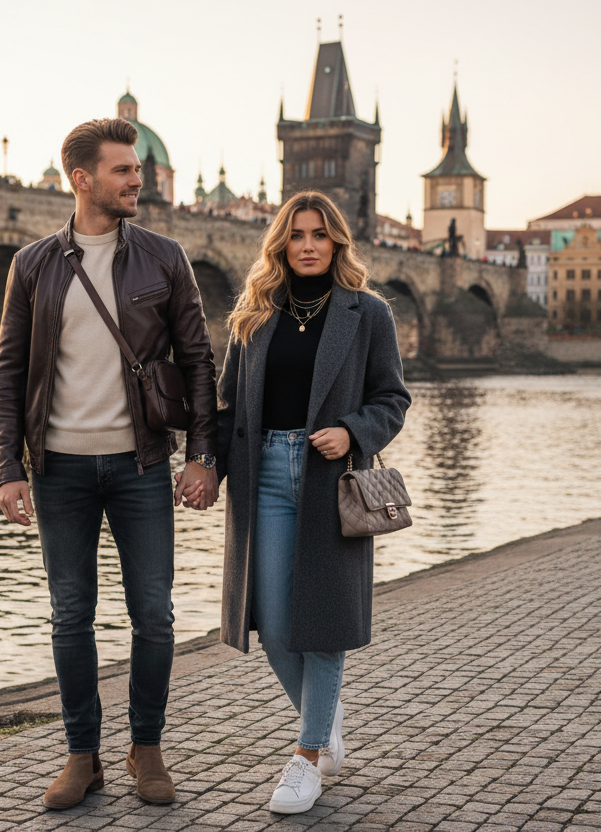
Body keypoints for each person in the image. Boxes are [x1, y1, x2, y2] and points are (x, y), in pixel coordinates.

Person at [0, 117, 218, 810]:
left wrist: (203, 455)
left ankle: (145, 748)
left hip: (141, 464)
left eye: (138, 170)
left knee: (154, 615)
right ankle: (81, 755)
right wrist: (8, 465)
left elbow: (199, 362)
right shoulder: (32, 264)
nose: (137, 181)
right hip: (59, 468)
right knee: (70, 615)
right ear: (82, 179)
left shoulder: (165, 257)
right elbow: (9, 370)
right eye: (123, 171)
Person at [216, 190, 410, 813]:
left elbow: (393, 400)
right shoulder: (254, 312)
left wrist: (354, 430)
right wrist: (205, 469)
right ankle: (324, 717)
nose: (307, 245)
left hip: (330, 479)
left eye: (319, 235)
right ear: (280, 242)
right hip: (264, 473)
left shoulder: (367, 313)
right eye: (297, 234)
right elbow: (226, 407)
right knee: (272, 621)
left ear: (336, 244)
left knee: (322, 623)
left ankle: (305, 759)